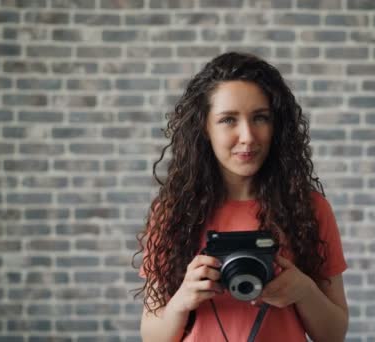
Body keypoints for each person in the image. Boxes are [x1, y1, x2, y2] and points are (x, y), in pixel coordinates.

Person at [134, 51, 348, 341]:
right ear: (205, 128)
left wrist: (304, 290)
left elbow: (333, 335)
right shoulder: (173, 213)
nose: (247, 135)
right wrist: (183, 300)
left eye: (260, 117)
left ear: (277, 126)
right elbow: (152, 337)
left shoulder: (310, 210)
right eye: (228, 120)